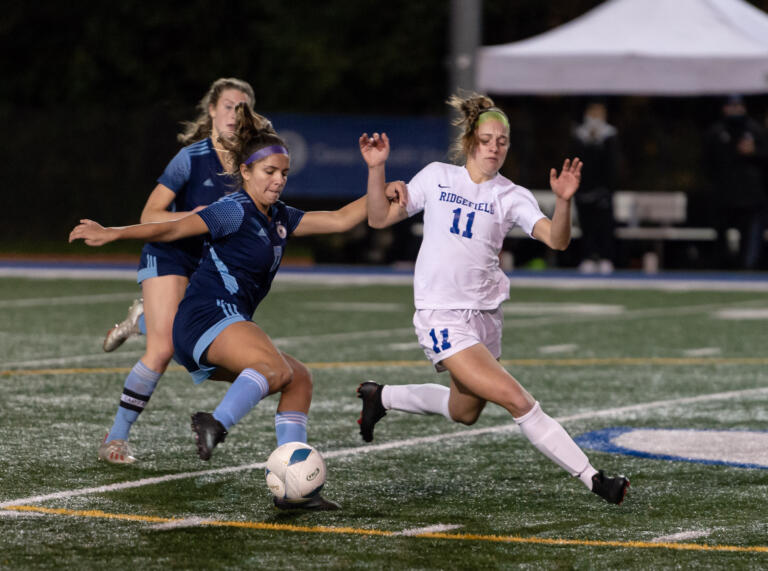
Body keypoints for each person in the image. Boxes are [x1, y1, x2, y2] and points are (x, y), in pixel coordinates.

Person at [71, 102, 407, 510]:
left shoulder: (280, 216)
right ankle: (215, 422)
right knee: (274, 368)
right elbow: (174, 226)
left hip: (223, 323)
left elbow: (339, 218)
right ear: (245, 172)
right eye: (270, 172)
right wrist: (113, 232)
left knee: (298, 379)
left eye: (284, 173)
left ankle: (294, 484)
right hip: (206, 317)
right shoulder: (234, 209)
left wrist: (378, 176)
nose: (279, 180)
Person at [356, 93, 630, 505]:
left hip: (485, 318)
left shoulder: (511, 194)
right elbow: (378, 218)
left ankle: (382, 396)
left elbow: (557, 240)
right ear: (470, 141)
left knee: (464, 411)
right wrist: (377, 169)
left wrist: (565, 200)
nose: (495, 147)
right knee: (519, 401)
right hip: (442, 315)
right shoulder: (436, 177)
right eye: (487, 139)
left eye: (502, 141)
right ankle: (595, 479)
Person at [95, 78, 256, 465]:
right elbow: (149, 215)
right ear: (212, 111)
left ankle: (143, 320)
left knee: (190, 350)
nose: (235, 114)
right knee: (164, 349)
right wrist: (195, 216)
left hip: (206, 265)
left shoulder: (252, 164)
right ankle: (114, 439)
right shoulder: (191, 158)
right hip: (169, 253)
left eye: (242, 108)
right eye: (229, 105)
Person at [704, 95, 768, 270]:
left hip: (751, 198)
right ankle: (721, 269)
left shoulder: (755, 130)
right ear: (724, 108)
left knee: (749, 241)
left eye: (739, 105)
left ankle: (747, 270)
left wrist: (755, 152)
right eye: (732, 105)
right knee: (721, 239)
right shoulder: (716, 132)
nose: (736, 109)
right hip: (723, 196)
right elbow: (708, 163)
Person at [570, 99, 621, 275]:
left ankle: (605, 257)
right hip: (583, 190)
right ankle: (588, 257)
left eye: (598, 114)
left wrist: (608, 189)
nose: (594, 118)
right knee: (587, 226)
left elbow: (612, 166)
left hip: (603, 191)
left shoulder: (610, 136)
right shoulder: (579, 135)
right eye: (592, 113)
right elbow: (575, 162)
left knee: (604, 226)